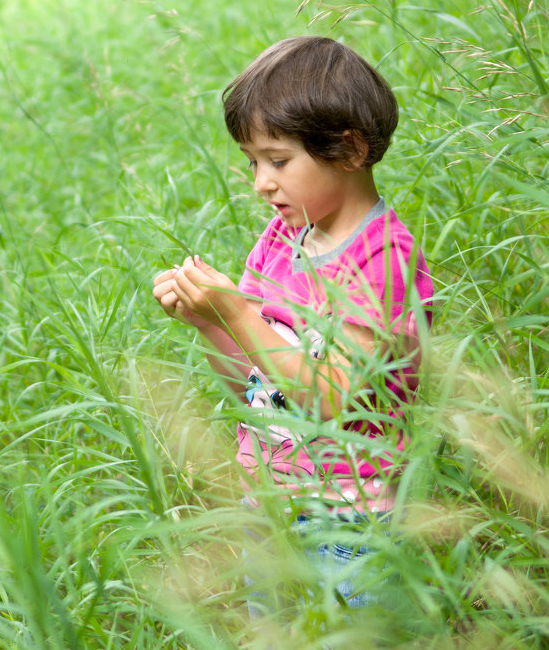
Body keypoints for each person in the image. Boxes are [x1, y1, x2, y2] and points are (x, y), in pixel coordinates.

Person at [151, 35, 433, 611]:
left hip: (353, 525)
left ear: (349, 150)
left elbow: (331, 399)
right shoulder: (281, 242)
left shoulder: (381, 259)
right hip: (272, 511)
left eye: (278, 161)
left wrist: (235, 310)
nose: (261, 181)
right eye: (253, 162)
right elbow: (252, 386)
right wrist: (209, 324)